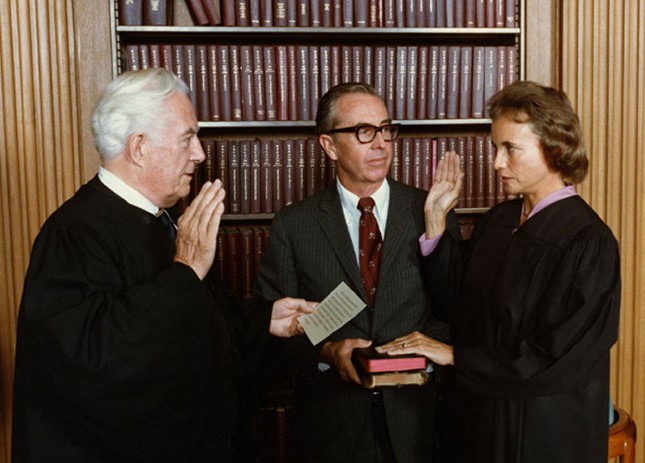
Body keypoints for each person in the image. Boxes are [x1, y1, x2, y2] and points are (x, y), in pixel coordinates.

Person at [11, 67, 315, 463]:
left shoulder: (159, 219)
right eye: (187, 139)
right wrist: (185, 268)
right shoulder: (74, 233)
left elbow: (185, 327)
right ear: (139, 147)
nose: (200, 154)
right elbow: (95, 362)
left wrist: (261, 320)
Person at [377, 81, 621, 462]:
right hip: (483, 421)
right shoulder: (499, 221)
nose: (496, 163)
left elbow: (558, 357)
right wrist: (435, 221)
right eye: (496, 147)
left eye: (510, 149)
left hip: (544, 432)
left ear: (554, 149)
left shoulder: (588, 242)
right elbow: (456, 304)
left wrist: (458, 356)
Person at [254, 82, 456, 463]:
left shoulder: (430, 211)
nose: (380, 143)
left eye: (386, 129)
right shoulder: (294, 225)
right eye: (364, 132)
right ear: (329, 145)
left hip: (417, 423)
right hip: (332, 429)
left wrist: (416, 357)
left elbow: (454, 309)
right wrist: (329, 351)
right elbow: (271, 333)